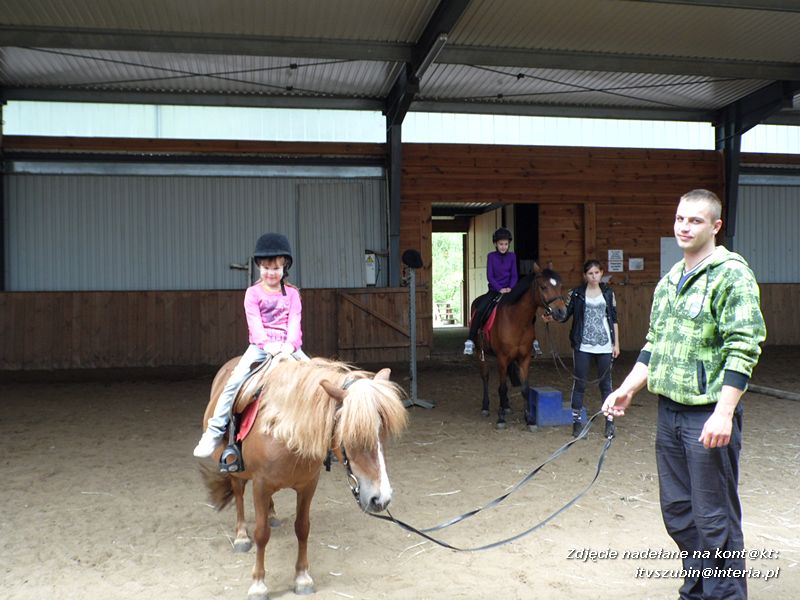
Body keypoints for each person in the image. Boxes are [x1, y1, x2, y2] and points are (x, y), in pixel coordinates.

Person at [602, 189, 766, 600]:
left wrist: (724, 412)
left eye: (695, 220)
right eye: (680, 219)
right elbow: (654, 344)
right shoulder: (670, 281)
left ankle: (725, 595)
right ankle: (697, 590)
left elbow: (743, 346)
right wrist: (627, 388)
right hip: (669, 413)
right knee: (678, 512)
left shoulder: (732, 275)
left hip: (707, 415)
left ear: (716, 226)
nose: (684, 227)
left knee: (714, 517)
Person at [193, 232, 309, 458]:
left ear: (284, 267)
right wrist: (267, 345)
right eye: (266, 268)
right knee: (234, 382)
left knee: (317, 379)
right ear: (258, 267)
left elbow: (295, 323)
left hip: (289, 347)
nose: (270, 273)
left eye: (276, 268)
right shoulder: (252, 293)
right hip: (260, 348)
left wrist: (289, 346)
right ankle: (214, 432)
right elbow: (254, 323)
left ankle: (327, 436)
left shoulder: (293, 294)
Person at [560, 259, 619, 438]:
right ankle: (576, 423)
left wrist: (616, 343)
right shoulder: (576, 293)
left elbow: (614, 319)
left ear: (601, 273)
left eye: (596, 273)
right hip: (583, 345)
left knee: (606, 384)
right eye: (590, 273)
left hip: (605, 345)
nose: (594, 277)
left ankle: (610, 422)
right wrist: (553, 317)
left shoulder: (608, 293)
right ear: (585, 276)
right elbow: (565, 314)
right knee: (580, 383)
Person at [463, 227, 518, 355]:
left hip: (510, 290)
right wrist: (500, 289)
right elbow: (490, 276)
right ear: (495, 244)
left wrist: (510, 287)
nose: (503, 247)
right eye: (501, 244)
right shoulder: (491, 256)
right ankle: (470, 340)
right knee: (480, 309)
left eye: (506, 244)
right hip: (494, 290)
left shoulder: (512, 256)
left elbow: (514, 275)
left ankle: (533, 341)